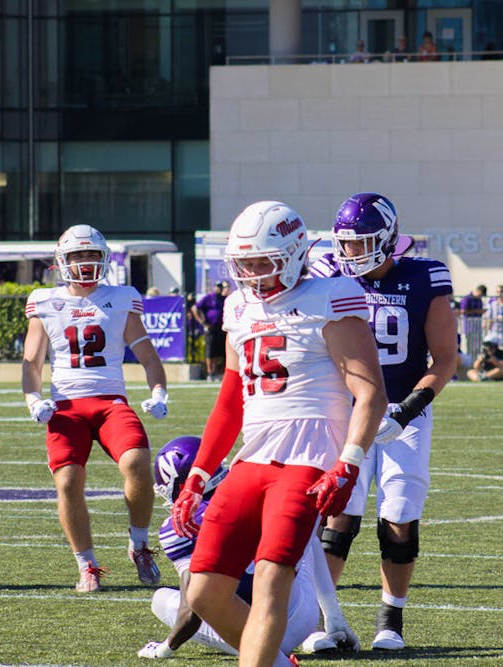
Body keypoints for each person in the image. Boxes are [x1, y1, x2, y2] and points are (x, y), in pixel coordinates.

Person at [169, 201, 395, 667]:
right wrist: (197, 477)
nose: (253, 273)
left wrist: (348, 462)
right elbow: (230, 400)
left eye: (263, 262)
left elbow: (371, 392)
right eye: (245, 263)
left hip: (306, 463)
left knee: (273, 579)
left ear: (293, 254)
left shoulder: (330, 298)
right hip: (251, 462)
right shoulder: (237, 307)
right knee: (206, 591)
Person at [307, 192, 459, 651]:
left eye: (361, 243)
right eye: (346, 244)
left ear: (389, 239)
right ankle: (323, 620)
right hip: (346, 410)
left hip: (403, 414)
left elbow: (447, 358)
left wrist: (406, 410)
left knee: (399, 514)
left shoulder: (423, 276)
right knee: (338, 515)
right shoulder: (326, 275)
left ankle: (390, 621)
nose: (350, 253)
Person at [21, 223, 169, 593]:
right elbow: (32, 363)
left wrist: (159, 391)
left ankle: (138, 544)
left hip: (110, 402)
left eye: (91, 255)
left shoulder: (121, 298)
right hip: (66, 406)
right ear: (62, 261)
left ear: (103, 260)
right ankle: (86, 564)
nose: (85, 263)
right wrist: (33, 400)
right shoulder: (44, 301)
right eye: (77, 255)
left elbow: (148, 356)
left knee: (137, 462)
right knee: (68, 481)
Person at [140, 436, 357, 660]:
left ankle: (267, 652)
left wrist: (164, 649)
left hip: (246, 632)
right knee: (305, 535)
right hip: (301, 616)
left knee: (162, 598)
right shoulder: (248, 493)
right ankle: (332, 621)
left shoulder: (179, 529)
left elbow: (192, 610)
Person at [191, 280, 227, 382]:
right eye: (217, 287)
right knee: (210, 351)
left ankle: (216, 372)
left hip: (220, 328)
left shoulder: (224, 299)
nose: (218, 289)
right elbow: (195, 308)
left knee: (218, 352)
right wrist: (202, 322)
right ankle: (210, 372)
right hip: (210, 327)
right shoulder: (208, 298)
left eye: (220, 287)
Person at [459, 284, 486, 358]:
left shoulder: (479, 300)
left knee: (477, 344)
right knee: (469, 344)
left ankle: (474, 359)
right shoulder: (467, 298)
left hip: (477, 326)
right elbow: (463, 311)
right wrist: (476, 311)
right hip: (468, 325)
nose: (481, 297)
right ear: (478, 291)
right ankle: (468, 359)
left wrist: (480, 311)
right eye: (481, 294)